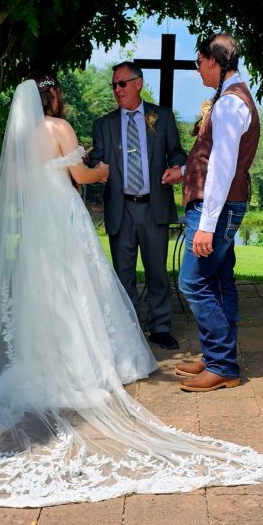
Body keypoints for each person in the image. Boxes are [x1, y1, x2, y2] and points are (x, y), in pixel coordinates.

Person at [0, 74, 263, 507]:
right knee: (79, 289)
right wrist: (98, 172)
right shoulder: (59, 129)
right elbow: (81, 172)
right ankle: (85, 366)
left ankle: (45, 363)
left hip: (39, 228)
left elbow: (25, 186)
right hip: (63, 216)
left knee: (46, 295)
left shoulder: (22, 139)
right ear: (52, 97)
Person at [163, 34, 260, 393]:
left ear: (215, 62)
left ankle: (222, 364)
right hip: (216, 203)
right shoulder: (227, 99)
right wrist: (185, 173)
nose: (197, 68)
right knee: (219, 281)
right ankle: (215, 355)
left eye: (200, 61)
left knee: (193, 282)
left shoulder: (230, 104)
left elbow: (223, 168)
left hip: (214, 208)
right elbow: (213, 160)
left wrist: (206, 226)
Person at [90, 62, 186, 351]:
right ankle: (128, 329)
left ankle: (160, 328)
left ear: (138, 84)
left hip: (153, 205)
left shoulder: (162, 117)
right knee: (123, 274)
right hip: (121, 208)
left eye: (122, 84)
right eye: (114, 85)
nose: (117, 90)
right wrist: (96, 165)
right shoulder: (104, 124)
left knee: (157, 272)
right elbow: (97, 159)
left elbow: (177, 151)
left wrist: (178, 167)